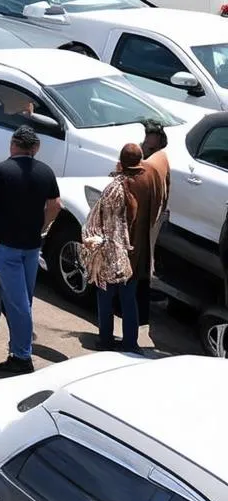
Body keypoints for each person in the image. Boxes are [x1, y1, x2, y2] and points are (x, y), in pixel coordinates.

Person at [0, 125, 62, 376]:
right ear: (35, 148)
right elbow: (55, 206)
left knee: (17, 304)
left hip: (6, 246)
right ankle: (19, 349)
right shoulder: (46, 172)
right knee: (23, 300)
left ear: (13, 144)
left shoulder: (2, 170)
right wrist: (42, 226)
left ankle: (21, 356)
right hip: (31, 247)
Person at [81, 143, 143, 352]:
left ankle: (106, 340)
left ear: (120, 162)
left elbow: (106, 226)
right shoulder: (140, 185)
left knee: (105, 298)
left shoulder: (113, 190)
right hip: (131, 253)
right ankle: (130, 343)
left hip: (112, 252)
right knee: (128, 299)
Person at [135, 119, 171, 324]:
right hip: (148, 219)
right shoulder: (154, 157)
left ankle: (138, 315)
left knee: (141, 273)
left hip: (146, 222)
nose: (147, 140)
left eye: (151, 137)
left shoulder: (155, 161)